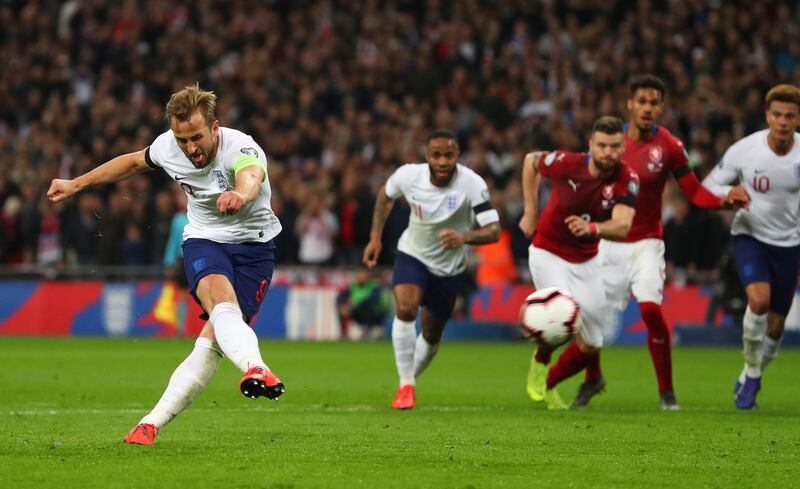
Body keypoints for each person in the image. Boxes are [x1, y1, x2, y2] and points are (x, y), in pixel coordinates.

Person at [47, 84, 285, 444]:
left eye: (196, 138)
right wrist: (76, 183)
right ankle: (256, 367)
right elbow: (130, 163)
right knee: (221, 303)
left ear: (215, 128)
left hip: (255, 249)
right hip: (205, 240)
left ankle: (150, 424)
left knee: (213, 341)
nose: (190, 148)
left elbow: (251, 174)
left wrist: (240, 193)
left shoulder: (242, 147)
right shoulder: (167, 147)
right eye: (182, 139)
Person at [574, 75, 750, 410]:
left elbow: (695, 192)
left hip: (647, 243)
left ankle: (667, 393)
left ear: (662, 107)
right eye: (642, 101)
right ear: (630, 104)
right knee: (592, 319)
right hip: (610, 241)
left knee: (651, 311)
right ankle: (591, 380)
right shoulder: (610, 144)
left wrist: (726, 199)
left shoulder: (669, 146)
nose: (648, 108)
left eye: (654, 103)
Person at [363, 129, 501, 409]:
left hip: (449, 268)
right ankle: (406, 385)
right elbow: (385, 196)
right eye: (436, 155)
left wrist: (464, 237)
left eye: (448, 155)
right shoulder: (408, 175)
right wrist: (375, 237)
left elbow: (494, 230)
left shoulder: (472, 184)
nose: (442, 161)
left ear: (457, 156)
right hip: (412, 254)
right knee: (405, 309)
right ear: (426, 156)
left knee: (431, 333)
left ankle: (407, 379)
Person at [519, 116, 638, 410]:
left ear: (623, 147)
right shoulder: (566, 163)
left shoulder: (627, 179)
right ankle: (541, 363)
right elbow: (530, 161)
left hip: (588, 260)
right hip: (549, 251)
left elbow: (623, 225)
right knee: (561, 319)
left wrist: (593, 229)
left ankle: (553, 384)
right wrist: (530, 211)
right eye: (602, 146)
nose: (608, 152)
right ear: (591, 145)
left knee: (593, 343)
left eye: (614, 146)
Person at [703, 84, 800, 410]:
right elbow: (709, 185)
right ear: (767, 116)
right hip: (750, 236)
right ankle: (753, 380)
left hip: (788, 244)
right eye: (777, 115)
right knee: (759, 301)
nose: (783, 122)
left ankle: (749, 372)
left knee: (775, 328)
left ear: (797, 118)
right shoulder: (745, 150)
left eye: (790, 116)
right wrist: (728, 195)